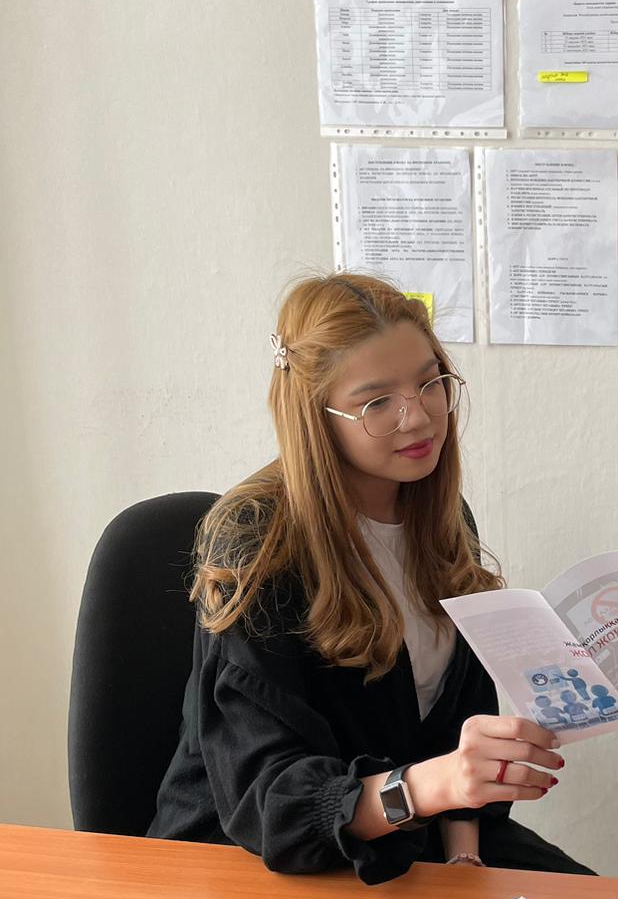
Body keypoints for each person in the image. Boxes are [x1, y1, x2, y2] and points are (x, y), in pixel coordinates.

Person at [149, 273, 591, 883]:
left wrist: (463, 857)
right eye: (377, 402)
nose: (419, 418)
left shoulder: (441, 519)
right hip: (249, 859)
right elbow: (269, 802)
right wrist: (431, 785)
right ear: (317, 419)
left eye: (430, 383)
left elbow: (455, 725)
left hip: (408, 840)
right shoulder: (258, 543)